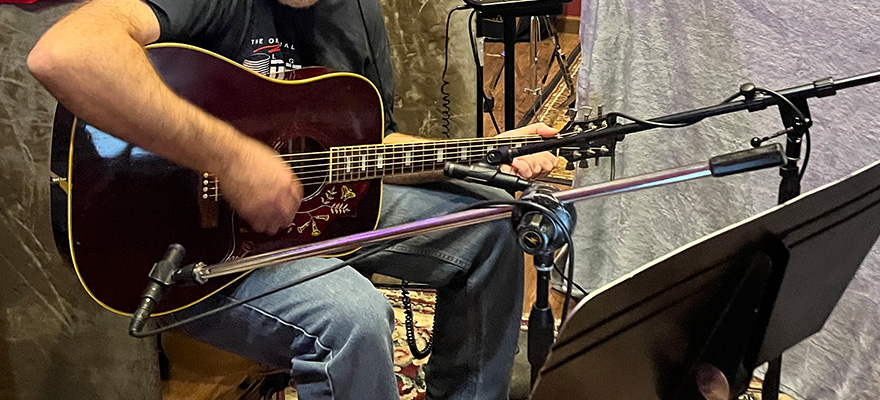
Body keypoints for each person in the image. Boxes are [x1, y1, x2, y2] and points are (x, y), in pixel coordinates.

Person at [28, 0, 559, 399]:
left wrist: (490, 156)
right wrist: (232, 160)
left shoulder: (354, 12)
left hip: (314, 213)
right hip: (183, 243)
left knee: (496, 223)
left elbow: (373, 149)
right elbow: (65, 55)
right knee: (351, 317)